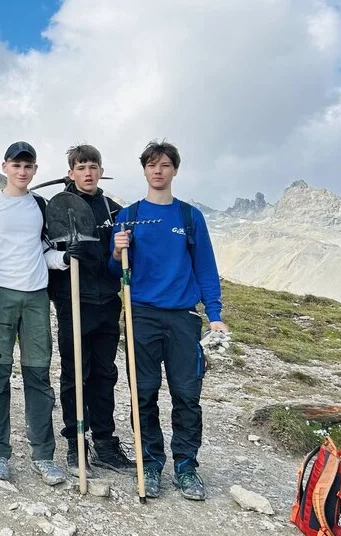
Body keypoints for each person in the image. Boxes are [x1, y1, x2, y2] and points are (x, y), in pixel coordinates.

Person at [111, 140, 228, 501]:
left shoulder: (190, 217)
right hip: (140, 314)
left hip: (182, 317)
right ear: (144, 170)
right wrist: (117, 250)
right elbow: (114, 268)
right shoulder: (128, 216)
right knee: (142, 393)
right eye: (151, 165)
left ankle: (186, 466)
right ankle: (149, 462)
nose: (157, 171)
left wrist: (215, 316)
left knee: (187, 395)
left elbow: (205, 268)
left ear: (174, 170)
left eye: (164, 165)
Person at [0, 141, 69, 486]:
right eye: (16, 165)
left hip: (36, 298)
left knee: (38, 377)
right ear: (4, 166)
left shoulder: (40, 206)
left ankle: (43, 455)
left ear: (35, 169)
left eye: (28, 166)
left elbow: (44, 250)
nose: (22, 171)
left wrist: (63, 260)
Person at [47, 145, 134, 476]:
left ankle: (105, 442)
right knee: (75, 374)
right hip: (73, 301)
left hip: (107, 302)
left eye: (93, 166)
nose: (88, 172)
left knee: (105, 374)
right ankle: (75, 442)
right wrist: (65, 256)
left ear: (101, 171)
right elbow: (47, 253)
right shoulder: (58, 208)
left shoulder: (114, 211)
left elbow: (121, 258)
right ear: (70, 172)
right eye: (81, 167)